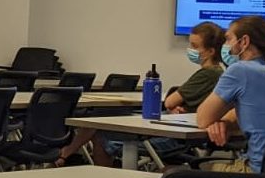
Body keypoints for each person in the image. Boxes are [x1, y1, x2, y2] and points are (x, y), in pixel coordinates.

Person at [56, 21, 225, 166]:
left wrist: (176, 106)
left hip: (173, 136)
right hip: (180, 130)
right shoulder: (219, 73)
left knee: (97, 131)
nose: (190, 50)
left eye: (194, 46)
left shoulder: (208, 74)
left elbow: (169, 102)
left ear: (210, 51)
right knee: (97, 125)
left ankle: (71, 159)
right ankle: (65, 155)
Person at [195, 15, 265, 173]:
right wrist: (226, 123)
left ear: (244, 42)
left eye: (228, 39)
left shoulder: (240, 70)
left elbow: (203, 119)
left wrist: (218, 121)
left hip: (258, 177)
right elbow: (255, 112)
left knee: (178, 172)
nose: (225, 45)